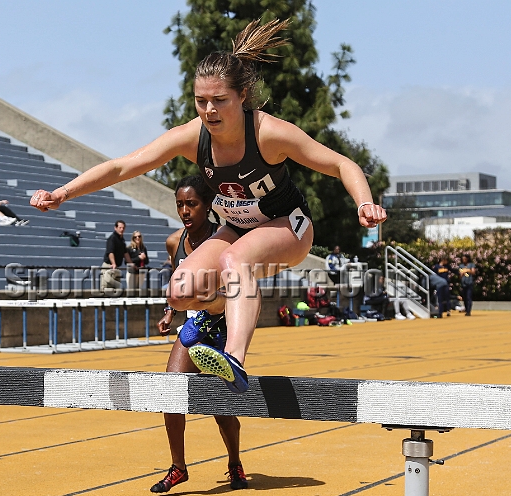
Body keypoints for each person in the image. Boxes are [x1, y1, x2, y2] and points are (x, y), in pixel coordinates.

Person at [31, 19, 386, 393]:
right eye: (201, 101)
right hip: (235, 227)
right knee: (180, 291)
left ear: (242, 96)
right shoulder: (192, 136)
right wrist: (63, 193)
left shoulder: (269, 133)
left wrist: (365, 203)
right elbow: (123, 166)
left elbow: (341, 164)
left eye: (220, 101)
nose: (209, 111)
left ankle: (234, 359)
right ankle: (219, 307)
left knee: (236, 261)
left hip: (288, 226)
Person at [152, 174, 246, 493]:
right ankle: (178, 466)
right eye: (180, 204)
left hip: (222, 325)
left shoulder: (225, 241)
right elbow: (177, 281)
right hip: (192, 324)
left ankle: (235, 463)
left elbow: (239, 290)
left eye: (191, 204)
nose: (185, 211)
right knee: (170, 392)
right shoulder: (173, 242)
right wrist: (169, 312)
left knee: (221, 410)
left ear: (207, 206)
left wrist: (216, 300)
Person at [100, 220, 132, 293]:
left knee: (117, 291)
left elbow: (125, 253)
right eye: (120, 227)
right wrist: (113, 263)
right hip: (109, 266)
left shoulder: (122, 240)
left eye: (123, 228)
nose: (122, 229)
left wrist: (131, 264)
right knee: (106, 289)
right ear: (115, 228)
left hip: (116, 268)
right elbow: (110, 252)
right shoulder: (112, 238)